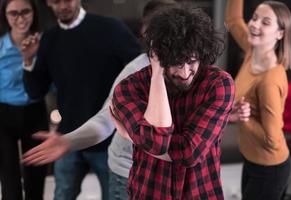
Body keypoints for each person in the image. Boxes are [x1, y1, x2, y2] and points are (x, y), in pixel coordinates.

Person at [22, 1, 176, 199]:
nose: (63, 5)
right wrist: (27, 60)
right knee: (62, 194)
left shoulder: (110, 28)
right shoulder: (50, 39)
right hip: (73, 133)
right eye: (57, 0)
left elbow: (143, 66)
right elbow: (36, 91)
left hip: (110, 140)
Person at [110, 3, 236, 199]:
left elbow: (190, 153)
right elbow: (158, 144)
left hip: (201, 193)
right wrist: (157, 76)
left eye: (192, 61)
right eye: (176, 63)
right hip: (150, 193)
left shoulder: (218, 84)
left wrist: (134, 137)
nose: (185, 73)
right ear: (157, 56)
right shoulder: (129, 90)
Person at [225, 0, 291, 199]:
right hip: (253, 159)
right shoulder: (253, 50)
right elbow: (234, 20)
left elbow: (272, 140)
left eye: (265, 22)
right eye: (255, 18)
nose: (255, 25)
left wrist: (245, 120)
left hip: (269, 169)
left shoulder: (268, 82)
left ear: (279, 34)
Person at [0, 0, 49, 199]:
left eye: (25, 12)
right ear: (5, 16)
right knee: (9, 178)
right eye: (14, 13)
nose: (20, 18)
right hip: (3, 113)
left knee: (36, 176)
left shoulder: (44, 42)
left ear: (33, 13)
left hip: (34, 111)